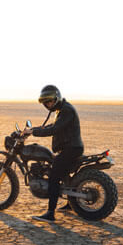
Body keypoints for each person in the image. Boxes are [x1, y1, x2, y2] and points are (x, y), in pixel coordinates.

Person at [22, 85, 84, 222]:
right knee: (63, 174)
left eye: (49, 101)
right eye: (46, 102)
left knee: (54, 177)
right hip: (70, 148)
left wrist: (34, 132)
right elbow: (51, 126)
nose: (47, 104)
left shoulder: (66, 110)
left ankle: (50, 213)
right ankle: (72, 203)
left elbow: (55, 129)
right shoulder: (61, 110)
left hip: (71, 149)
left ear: (56, 98)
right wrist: (33, 130)